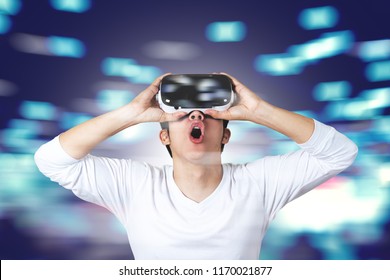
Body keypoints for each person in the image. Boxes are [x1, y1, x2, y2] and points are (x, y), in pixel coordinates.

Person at [34, 73, 358, 260]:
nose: (196, 116)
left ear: (226, 135)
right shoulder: (135, 185)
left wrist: (259, 110)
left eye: (210, 112)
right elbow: (51, 160)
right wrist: (131, 114)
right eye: (183, 112)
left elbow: (340, 152)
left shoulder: (258, 183)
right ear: (164, 137)